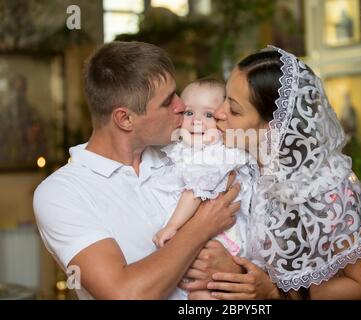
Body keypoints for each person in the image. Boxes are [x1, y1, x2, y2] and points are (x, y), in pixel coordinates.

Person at [33, 41, 241, 300]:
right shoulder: (62, 193)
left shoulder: (188, 154)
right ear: (125, 119)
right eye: (167, 102)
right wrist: (200, 227)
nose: (181, 106)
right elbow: (125, 294)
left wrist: (236, 271)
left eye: (176, 93)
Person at [181, 46, 361, 300]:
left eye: (234, 109)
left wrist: (274, 292)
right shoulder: (232, 160)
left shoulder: (325, 187)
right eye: (224, 100)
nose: (218, 114)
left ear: (273, 127)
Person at [152, 78, 257, 299]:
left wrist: (171, 226)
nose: (196, 121)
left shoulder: (216, 153)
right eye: (189, 113)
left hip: (222, 235)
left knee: (203, 291)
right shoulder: (184, 149)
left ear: (221, 119)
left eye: (208, 115)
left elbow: (195, 192)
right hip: (202, 231)